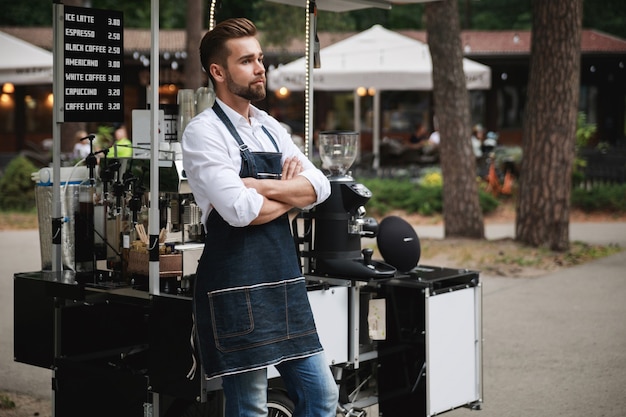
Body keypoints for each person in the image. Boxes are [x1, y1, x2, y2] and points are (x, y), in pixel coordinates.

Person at [181, 18, 337, 417]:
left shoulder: (271, 128)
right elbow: (238, 212)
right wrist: (292, 195)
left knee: (323, 397)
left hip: (283, 283)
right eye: (247, 60)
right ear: (218, 71)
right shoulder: (203, 133)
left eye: (260, 59)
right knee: (249, 407)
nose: (260, 68)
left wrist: (259, 186)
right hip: (234, 286)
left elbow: (320, 186)